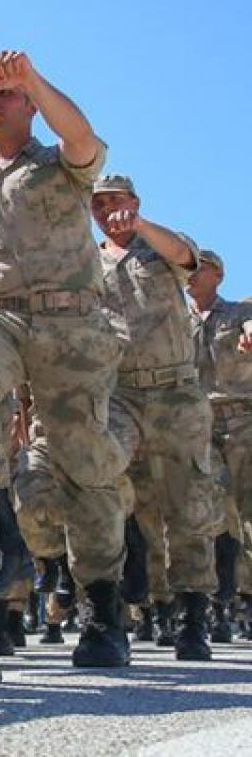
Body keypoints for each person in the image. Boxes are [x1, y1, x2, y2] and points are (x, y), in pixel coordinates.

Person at [0, 51, 132, 667]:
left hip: (70, 320)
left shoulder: (60, 164)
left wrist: (31, 77)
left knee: (83, 465)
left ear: (29, 105)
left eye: (3, 94)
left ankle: (103, 609)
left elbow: (82, 135)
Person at [92, 174, 221, 661]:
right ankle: (104, 607)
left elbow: (187, 256)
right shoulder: (86, 261)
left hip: (175, 391)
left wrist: (141, 225)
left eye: (116, 202)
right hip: (120, 393)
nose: (108, 211)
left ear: (135, 202)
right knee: (98, 478)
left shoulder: (161, 250)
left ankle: (192, 615)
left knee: (188, 505)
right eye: (99, 204)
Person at [188, 250, 252, 643]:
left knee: (248, 516)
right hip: (199, 424)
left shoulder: (236, 314)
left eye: (199, 269)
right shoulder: (174, 320)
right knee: (207, 514)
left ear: (218, 274)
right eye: (187, 270)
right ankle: (214, 602)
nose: (190, 276)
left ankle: (248, 598)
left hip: (244, 420)